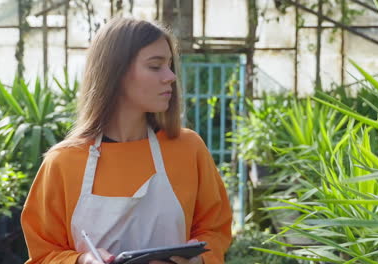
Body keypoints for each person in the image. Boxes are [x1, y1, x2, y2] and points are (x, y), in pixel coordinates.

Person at [20, 17, 232, 264]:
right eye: (155, 66)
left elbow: (216, 230)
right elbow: (43, 255)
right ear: (116, 72)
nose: (170, 76)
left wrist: (195, 260)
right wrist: (82, 260)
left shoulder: (188, 149)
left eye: (170, 65)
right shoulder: (63, 162)